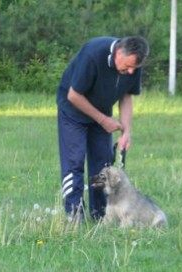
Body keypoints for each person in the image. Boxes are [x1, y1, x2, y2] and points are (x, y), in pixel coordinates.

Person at [56, 36, 149, 222]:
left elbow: (126, 97)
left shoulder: (132, 67)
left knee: (102, 167)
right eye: (128, 66)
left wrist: (126, 132)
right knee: (74, 163)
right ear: (119, 53)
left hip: (102, 114)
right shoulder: (93, 54)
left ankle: (99, 215)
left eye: (135, 68)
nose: (131, 71)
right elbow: (74, 95)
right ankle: (74, 216)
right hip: (73, 112)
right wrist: (103, 119)